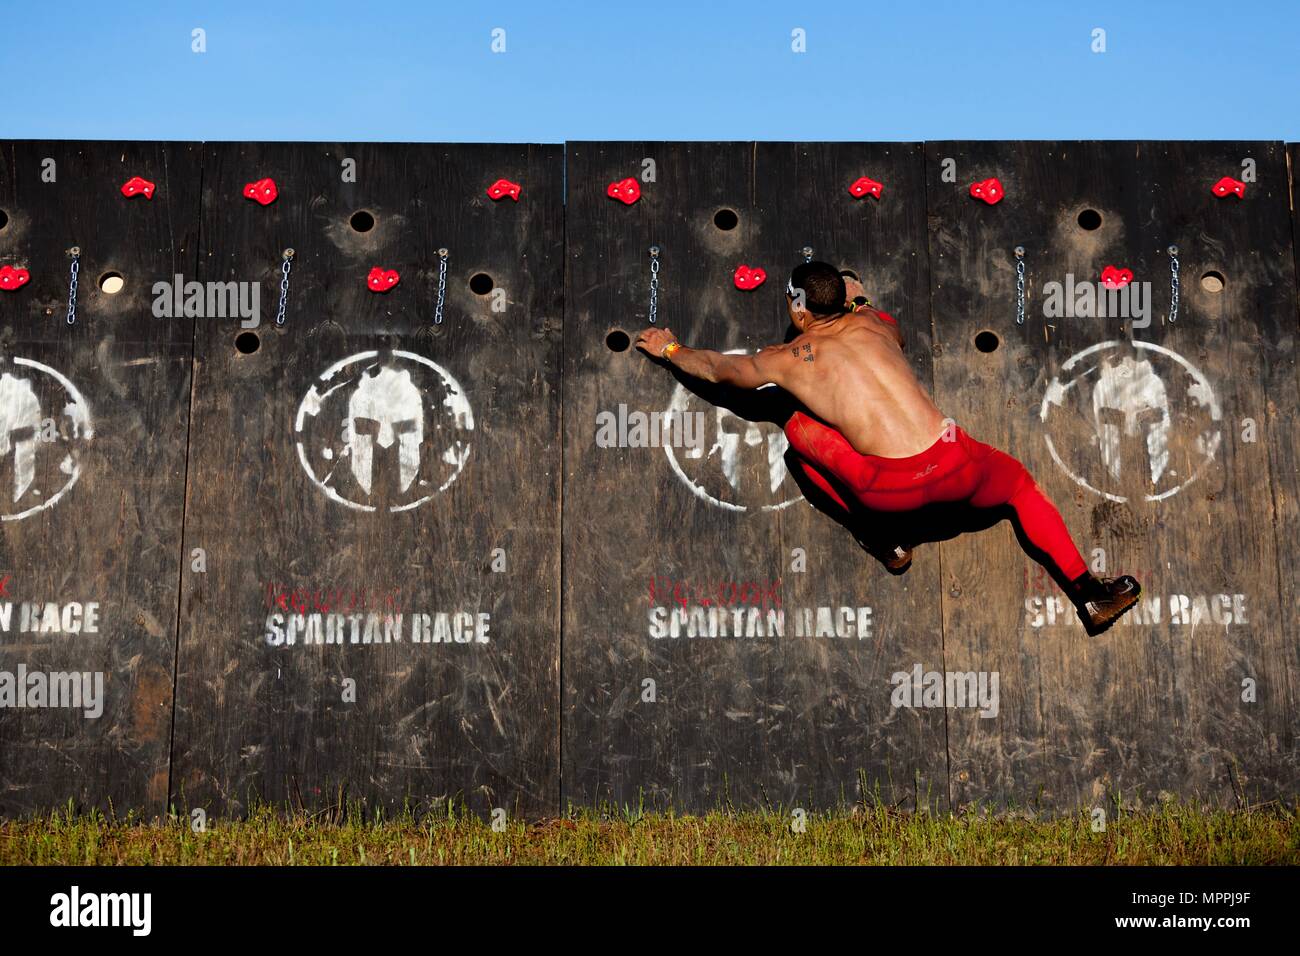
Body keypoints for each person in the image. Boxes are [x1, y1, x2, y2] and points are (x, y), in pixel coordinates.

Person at [635, 260, 1141, 635]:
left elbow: (720, 370)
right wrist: (861, 300)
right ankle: (1087, 594)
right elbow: (883, 323)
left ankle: (885, 541)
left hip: (888, 491)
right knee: (1021, 489)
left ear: (797, 306)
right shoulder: (877, 325)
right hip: (958, 465)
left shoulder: (785, 358)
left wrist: (671, 348)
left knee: (796, 432)